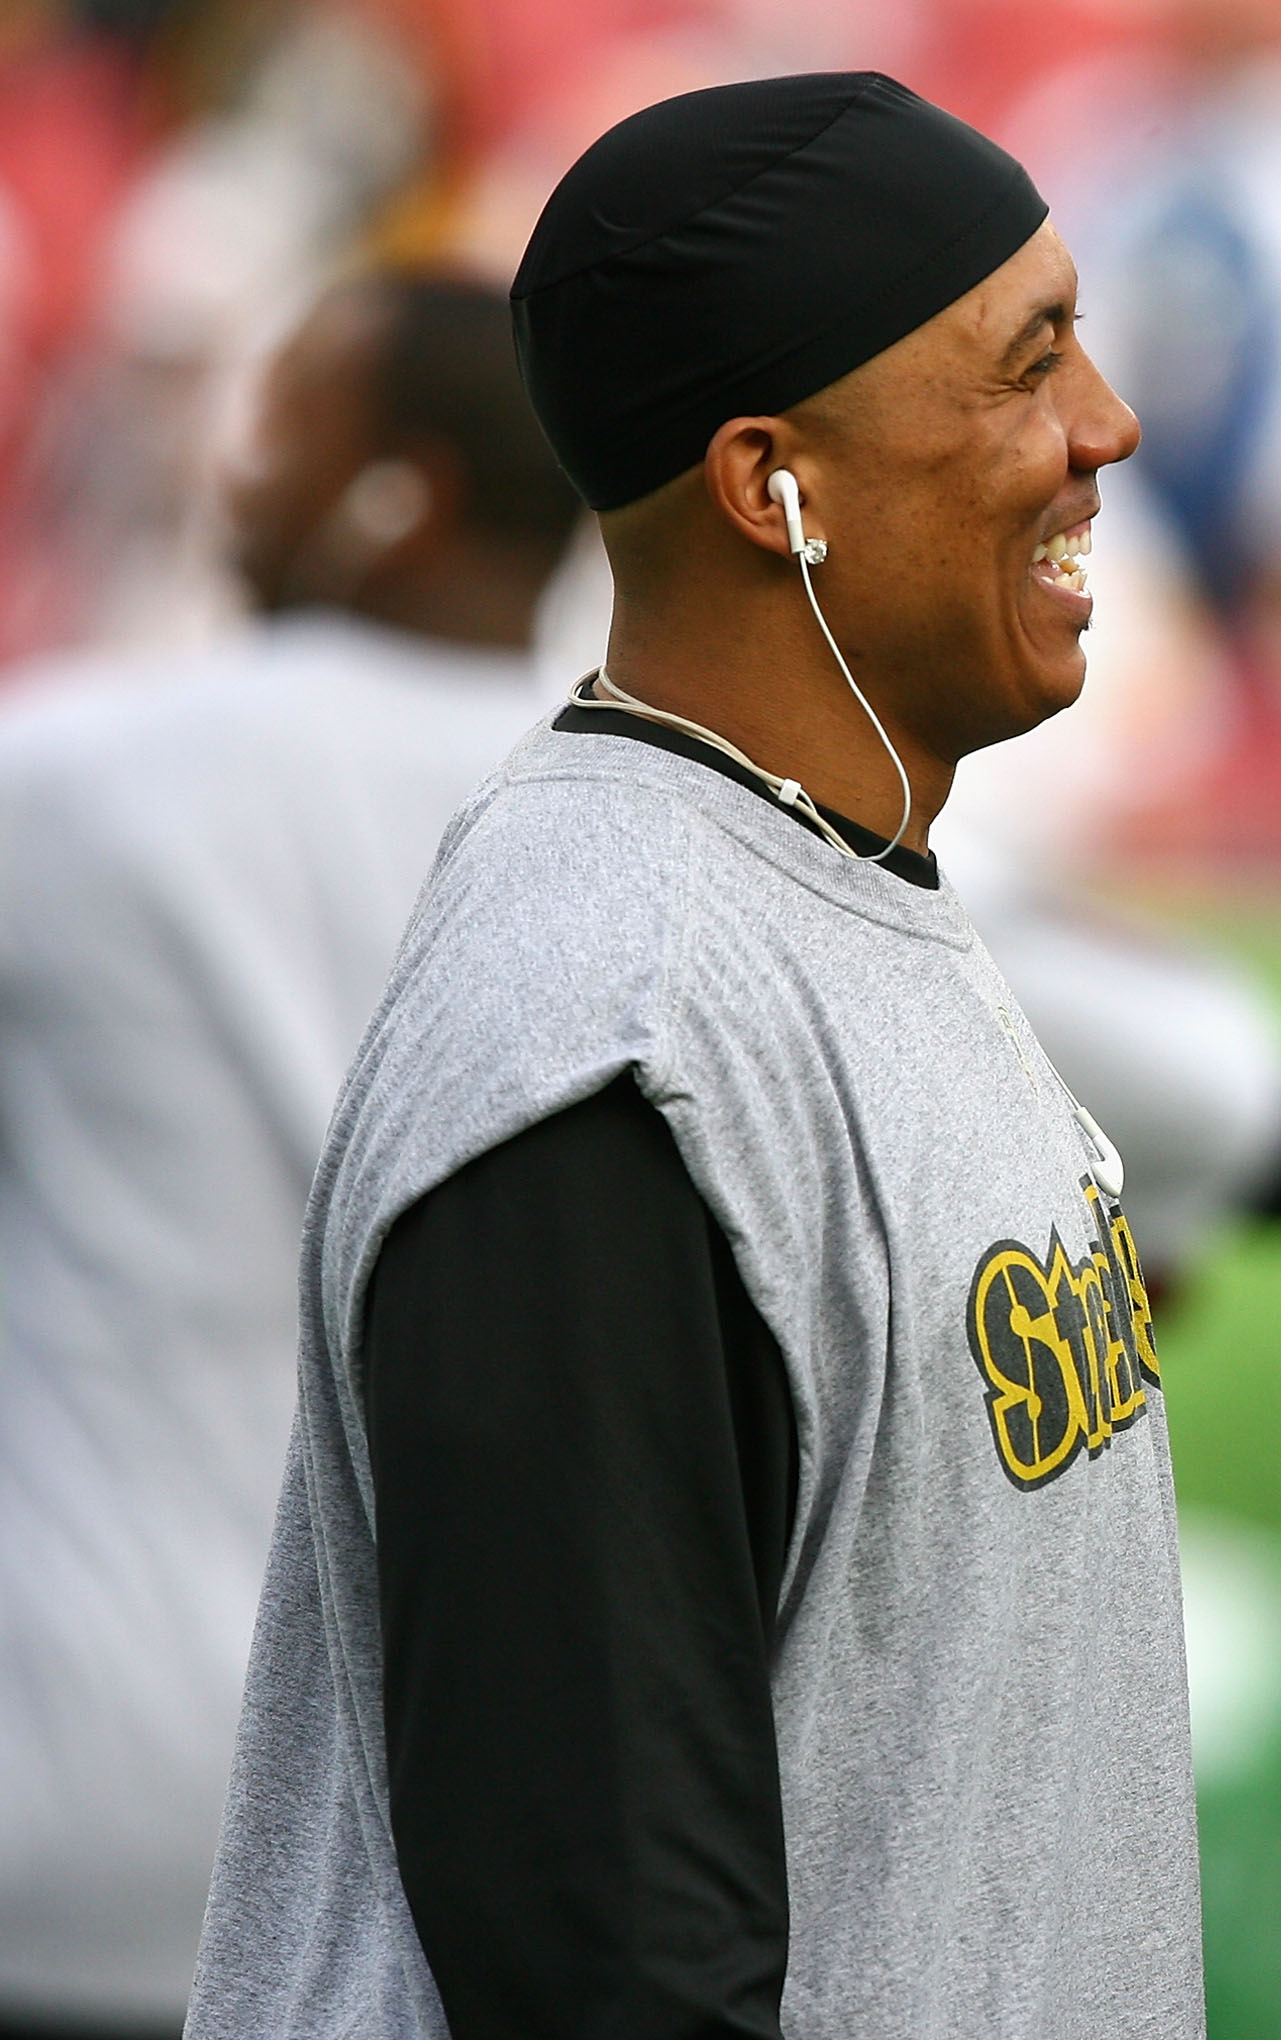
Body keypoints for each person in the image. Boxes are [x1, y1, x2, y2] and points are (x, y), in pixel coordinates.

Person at [188, 74, 1200, 2039]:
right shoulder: (616, 1034)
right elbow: (612, 1968)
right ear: (775, 486)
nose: (1108, 428)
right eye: (1028, 363)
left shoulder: (822, 883)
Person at [0, 272, 567, 2040]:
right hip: (477, 1842)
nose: (236, 470)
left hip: (79, 1805)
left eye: (286, 424)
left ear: (402, 490)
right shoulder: (680, 814)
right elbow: (1254, 1111)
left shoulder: (71, 776)